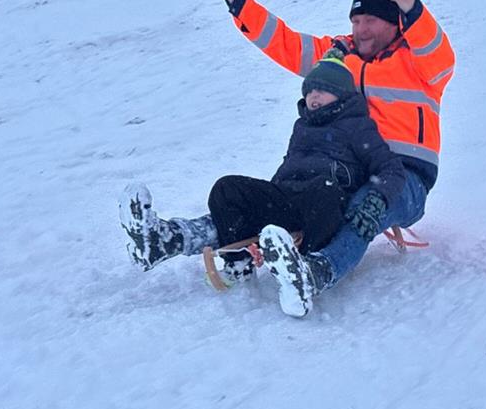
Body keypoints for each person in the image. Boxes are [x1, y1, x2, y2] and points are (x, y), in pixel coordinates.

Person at [199, 0, 455, 313]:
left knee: (367, 207)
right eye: (356, 20)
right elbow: (285, 43)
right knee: (294, 199)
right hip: (353, 167)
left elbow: (438, 51)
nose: (360, 29)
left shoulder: (419, 62)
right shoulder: (340, 56)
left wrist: (410, 5)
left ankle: (317, 272)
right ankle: (212, 240)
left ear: (395, 23)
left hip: (407, 177)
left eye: (370, 21)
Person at [119, 49, 407, 316]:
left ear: (342, 95)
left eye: (323, 91)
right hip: (288, 196)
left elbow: (392, 168)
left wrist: (377, 198)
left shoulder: (358, 127)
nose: (313, 97)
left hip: (325, 203)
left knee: (324, 190)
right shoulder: (303, 125)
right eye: (310, 90)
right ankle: (239, 260)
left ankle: (303, 267)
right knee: (227, 188)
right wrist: (260, 203)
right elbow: (289, 167)